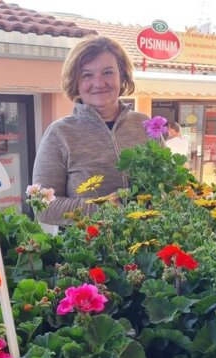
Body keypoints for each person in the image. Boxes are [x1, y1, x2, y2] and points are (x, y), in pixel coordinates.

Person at [32, 36, 150, 226]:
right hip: (88, 243)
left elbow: (170, 183)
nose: (99, 83)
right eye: (87, 75)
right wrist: (101, 208)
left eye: (108, 72)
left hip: (151, 241)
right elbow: (42, 206)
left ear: (122, 76)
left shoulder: (144, 124)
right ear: (76, 82)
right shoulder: (60, 133)